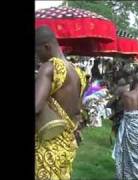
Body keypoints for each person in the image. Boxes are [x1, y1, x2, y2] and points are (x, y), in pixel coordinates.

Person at [35, 26, 86, 180]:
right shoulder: (78, 72)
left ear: (46, 47)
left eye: (37, 51)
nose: (36, 56)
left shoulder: (49, 68)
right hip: (66, 144)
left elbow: (36, 107)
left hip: (48, 144)